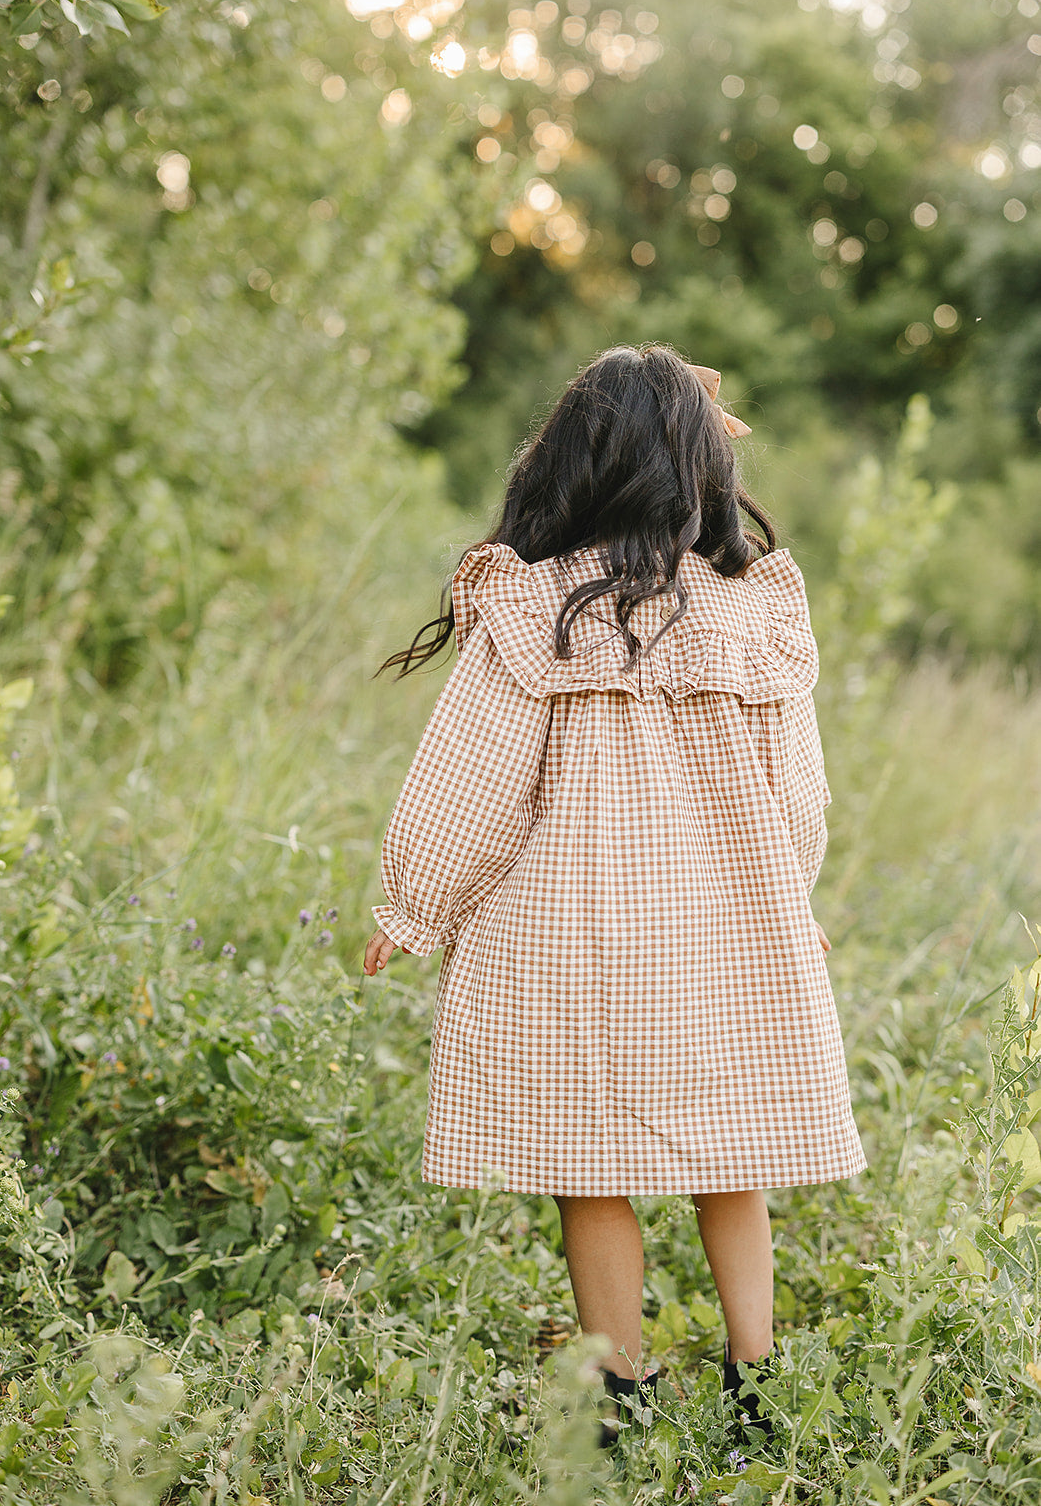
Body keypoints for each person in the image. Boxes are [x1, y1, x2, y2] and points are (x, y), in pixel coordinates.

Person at [363, 344, 866, 1445]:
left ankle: (622, 1399)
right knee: (732, 1152)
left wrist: (415, 903)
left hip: (574, 935)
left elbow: (473, 778)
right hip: (727, 928)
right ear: (699, 471)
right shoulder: (749, 610)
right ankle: (756, 1381)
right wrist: (789, 896)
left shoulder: (537, 605)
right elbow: (797, 788)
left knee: (589, 1161)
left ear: (573, 462)